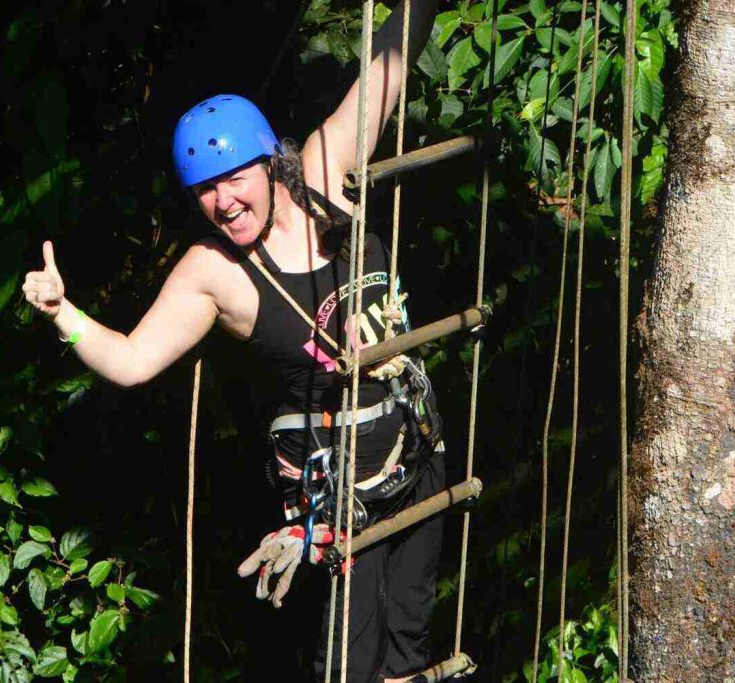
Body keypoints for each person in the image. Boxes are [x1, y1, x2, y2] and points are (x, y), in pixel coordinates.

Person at [23, 3, 445, 680]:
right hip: (340, 490)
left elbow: (387, 69)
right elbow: (132, 360)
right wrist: (62, 312)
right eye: (206, 191)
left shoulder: (322, 172)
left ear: (270, 165)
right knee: (349, 661)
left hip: (416, 451)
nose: (224, 202)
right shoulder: (212, 273)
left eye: (234, 178)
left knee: (408, 650)